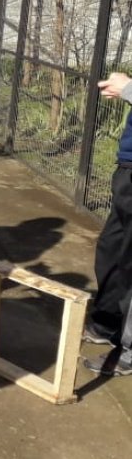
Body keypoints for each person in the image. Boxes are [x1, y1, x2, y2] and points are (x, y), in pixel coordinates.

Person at [83, 71, 132, 376]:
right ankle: (106, 323)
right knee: (113, 250)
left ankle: (128, 350)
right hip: (128, 167)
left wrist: (128, 88)